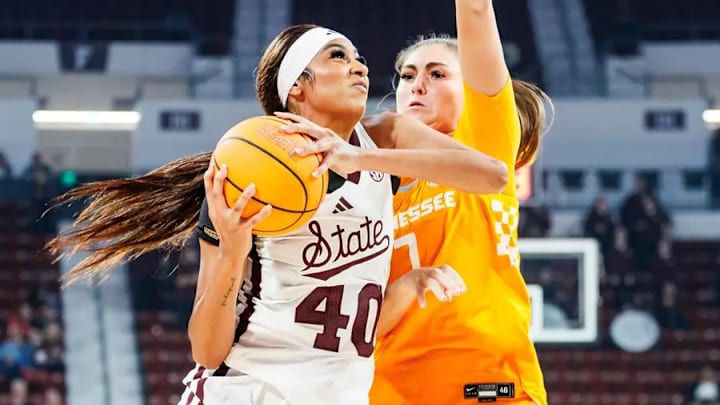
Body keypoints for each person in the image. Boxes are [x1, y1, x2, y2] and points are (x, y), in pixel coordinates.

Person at [46, 24, 508, 405]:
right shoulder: (247, 172)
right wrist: (231, 252)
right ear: (298, 89)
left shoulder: (382, 138)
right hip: (251, 389)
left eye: (358, 56)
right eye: (338, 56)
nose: (359, 65)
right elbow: (207, 350)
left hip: (340, 393)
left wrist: (404, 281)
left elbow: (491, 176)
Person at [369, 1, 553, 404]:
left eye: (437, 74)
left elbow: (475, 12)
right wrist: (405, 288)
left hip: (486, 383)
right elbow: (362, 330)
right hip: (389, 390)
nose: (417, 85)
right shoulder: (371, 195)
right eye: (408, 75)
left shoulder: (482, 146)